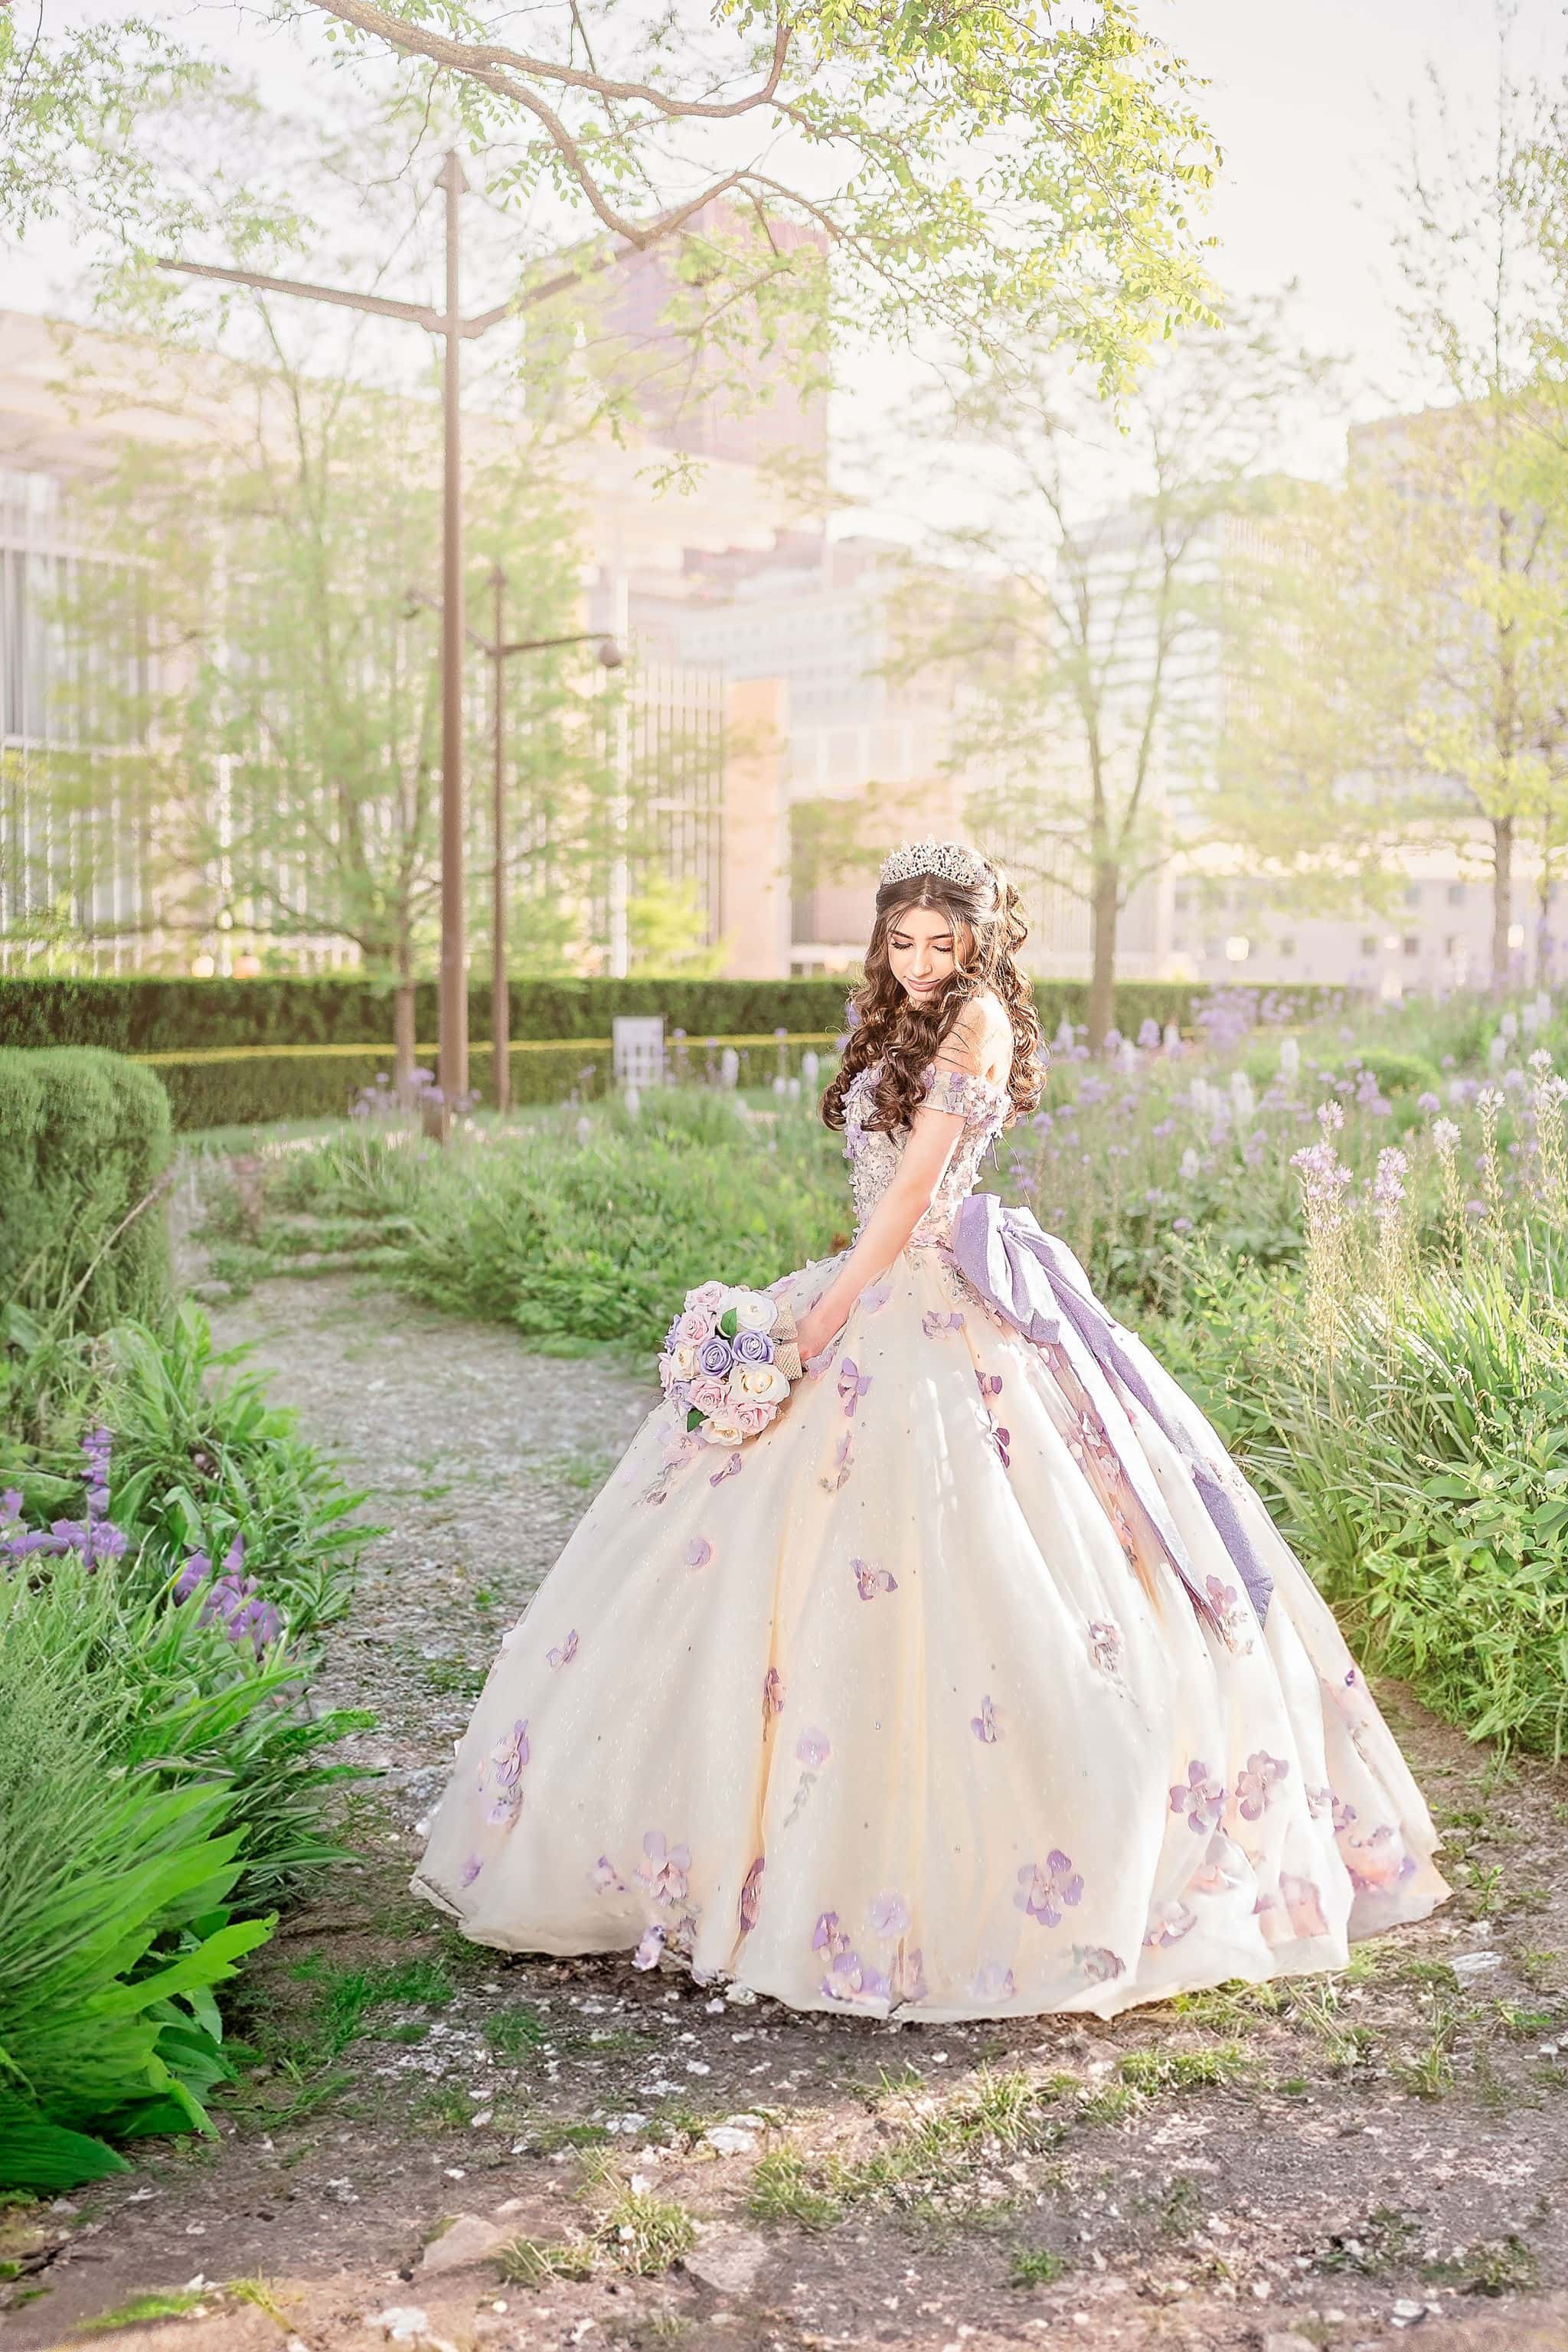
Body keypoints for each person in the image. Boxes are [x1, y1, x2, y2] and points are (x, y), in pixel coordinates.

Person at [411, 840, 1448, 2019]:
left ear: (981, 943)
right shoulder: (908, 1022)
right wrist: (814, 1305)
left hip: (929, 1301)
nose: (915, 964)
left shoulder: (982, 1025)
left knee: (972, 1565)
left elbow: (913, 1197)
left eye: (940, 944)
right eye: (900, 943)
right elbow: (877, 1191)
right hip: (869, 1286)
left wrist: (819, 1321)